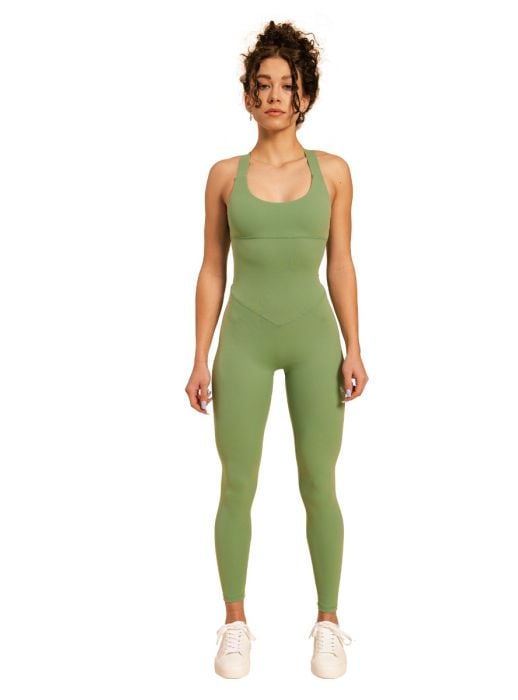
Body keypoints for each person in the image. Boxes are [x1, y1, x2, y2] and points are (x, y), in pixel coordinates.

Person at [185, 20, 368, 679]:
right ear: (247, 96)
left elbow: (340, 263)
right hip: (245, 339)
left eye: (285, 86)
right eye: (261, 85)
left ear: (304, 96)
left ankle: (329, 624)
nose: (272, 96)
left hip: (314, 339)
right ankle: (235, 624)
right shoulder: (223, 176)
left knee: (319, 480)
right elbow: (213, 268)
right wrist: (200, 356)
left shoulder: (334, 173)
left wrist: (354, 347)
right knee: (237, 481)